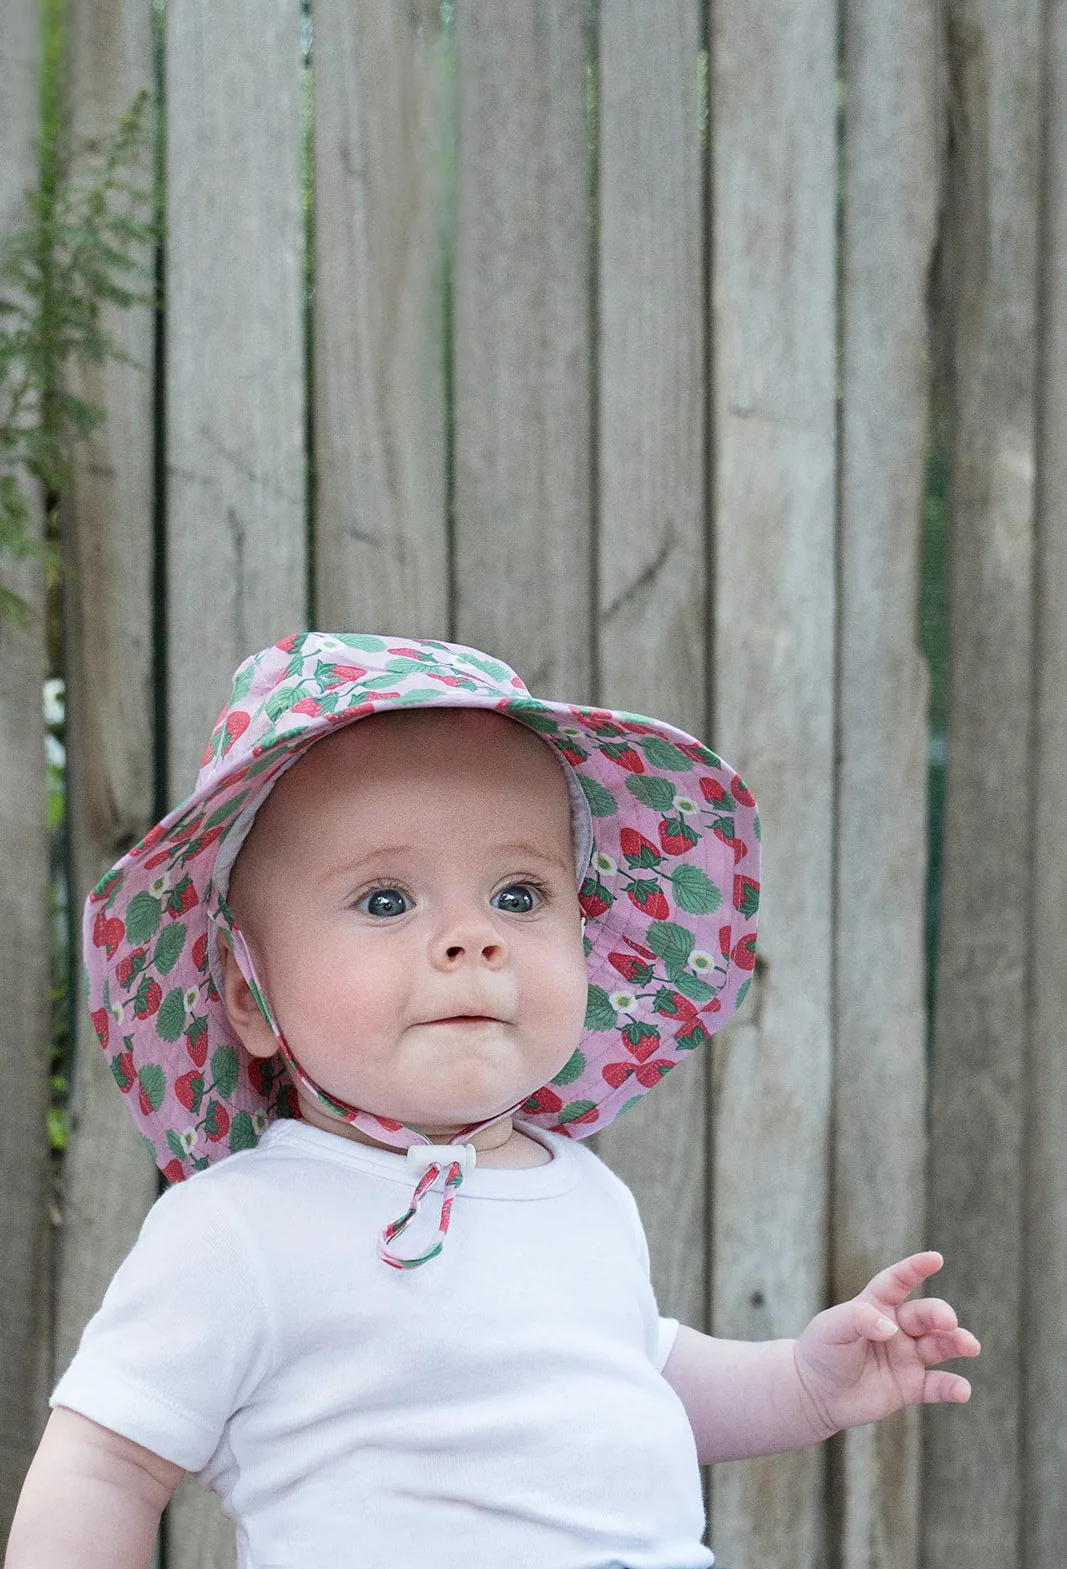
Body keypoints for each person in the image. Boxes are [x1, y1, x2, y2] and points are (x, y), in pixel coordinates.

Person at [5, 633, 979, 1569]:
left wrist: (803, 1385)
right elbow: (108, 1463)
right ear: (244, 991)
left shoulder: (584, 1192)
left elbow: (633, 1380)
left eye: (518, 894)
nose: (473, 939)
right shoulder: (238, 1228)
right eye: (386, 900)